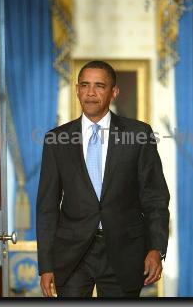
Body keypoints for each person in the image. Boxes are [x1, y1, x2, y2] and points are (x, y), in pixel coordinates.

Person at [36, 60, 170, 298]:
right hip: (72, 254)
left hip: (125, 251)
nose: (90, 92)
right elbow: (47, 208)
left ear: (114, 92)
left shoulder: (138, 134)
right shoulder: (56, 140)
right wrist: (45, 265)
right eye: (85, 85)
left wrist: (156, 249)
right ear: (77, 89)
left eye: (99, 86)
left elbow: (155, 197)